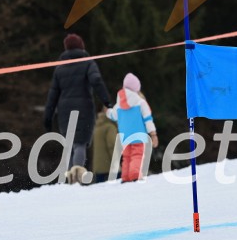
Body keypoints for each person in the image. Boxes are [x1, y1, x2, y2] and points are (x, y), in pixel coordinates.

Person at [43, 33, 112, 172]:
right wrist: (107, 102)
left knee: (69, 145)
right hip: (84, 109)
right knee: (80, 143)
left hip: (64, 111)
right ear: (82, 47)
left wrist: (48, 117)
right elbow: (96, 81)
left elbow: (52, 95)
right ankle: (76, 178)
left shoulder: (59, 68)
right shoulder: (88, 63)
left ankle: (69, 179)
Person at [106, 73, 158, 182]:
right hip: (138, 134)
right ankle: (134, 174)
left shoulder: (118, 104)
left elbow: (113, 115)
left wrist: (108, 112)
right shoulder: (141, 102)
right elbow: (148, 119)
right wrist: (153, 134)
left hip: (125, 136)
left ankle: (125, 177)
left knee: (127, 156)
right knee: (137, 154)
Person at [91, 112, 118, 183]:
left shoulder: (97, 127)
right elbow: (112, 145)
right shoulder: (110, 127)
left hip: (98, 167)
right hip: (109, 167)